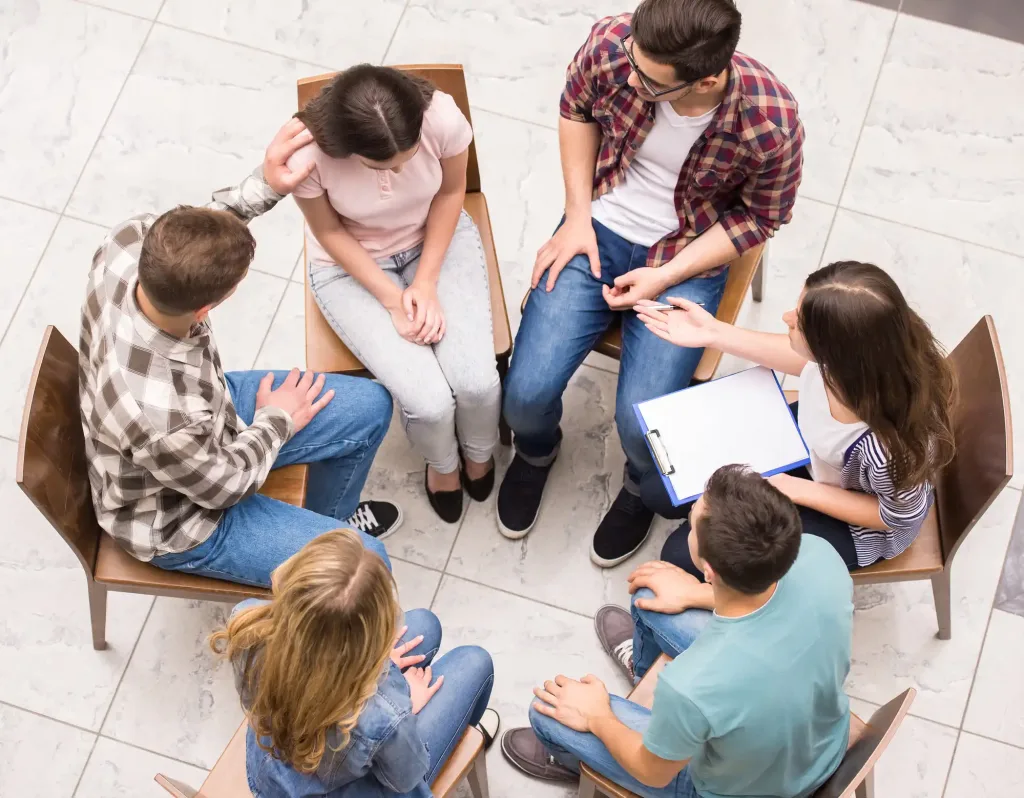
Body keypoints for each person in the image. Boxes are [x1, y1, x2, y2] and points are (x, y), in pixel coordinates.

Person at [497, 0, 805, 568]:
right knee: (525, 395)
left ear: (707, 78)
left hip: (685, 251)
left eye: (649, 80)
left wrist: (665, 275)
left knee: (644, 428)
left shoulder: (771, 121)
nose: (630, 76)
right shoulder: (619, 43)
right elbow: (576, 107)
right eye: (632, 61)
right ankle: (537, 453)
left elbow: (761, 218)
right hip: (597, 222)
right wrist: (577, 215)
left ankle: (639, 488)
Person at [79, 119, 402, 589]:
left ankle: (324, 526)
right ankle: (320, 566)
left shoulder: (130, 242)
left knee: (371, 407)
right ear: (208, 307)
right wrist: (275, 419)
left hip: (210, 413)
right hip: (182, 518)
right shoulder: (160, 419)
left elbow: (195, 232)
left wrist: (265, 184)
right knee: (364, 566)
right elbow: (224, 487)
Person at [500, 465, 854, 798]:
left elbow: (653, 772)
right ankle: (653, 697)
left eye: (690, 523)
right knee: (650, 597)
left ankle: (577, 762)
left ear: (710, 570)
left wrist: (598, 716)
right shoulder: (821, 556)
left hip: (733, 789)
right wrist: (693, 592)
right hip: (822, 741)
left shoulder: (690, 686)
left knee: (545, 711)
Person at [639, 260, 957, 575]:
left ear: (834, 353)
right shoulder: (865, 356)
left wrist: (790, 489)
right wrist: (713, 332)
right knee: (658, 488)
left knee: (680, 554)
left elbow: (895, 516)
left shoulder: (887, 450)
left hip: (852, 517)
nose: (785, 318)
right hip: (810, 455)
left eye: (798, 322)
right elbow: (801, 360)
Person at [288, 64, 500, 524]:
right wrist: (391, 298)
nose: (400, 170)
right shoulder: (305, 153)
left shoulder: (441, 117)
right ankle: (442, 466)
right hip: (350, 265)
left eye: (406, 159)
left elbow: (449, 194)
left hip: (436, 235)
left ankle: (479, 452)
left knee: (478, 383)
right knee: (427, 401)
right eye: (383, 167)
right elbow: (327, 231)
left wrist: (425, 282)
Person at [214, 529, 497, 797]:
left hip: (271, 775)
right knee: (475, 662)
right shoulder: (385, 714)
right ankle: (462, 734)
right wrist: (405, 702)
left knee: (424, 623)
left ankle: (455, 727)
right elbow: (406, 777)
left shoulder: (248, 622)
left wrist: (382, 675)